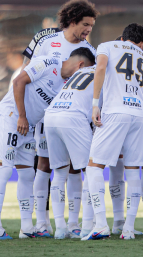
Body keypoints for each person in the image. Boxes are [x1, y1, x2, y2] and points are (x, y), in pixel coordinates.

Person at [0, 40, 93, 239]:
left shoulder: (66, 84)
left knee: (27, 174)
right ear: (81, 65)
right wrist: (22, 116)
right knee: (4, 170)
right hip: (10, 118)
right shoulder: (47, 62)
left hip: (28, 126)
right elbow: (18, 82)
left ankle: (27, 227)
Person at [26, 0, 98, 237]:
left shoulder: (89, 50)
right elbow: (29, 71)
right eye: (86, 25)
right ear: (73, 20)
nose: (88, 30)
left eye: (91, 26)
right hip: (48, 113)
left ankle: (74, 223)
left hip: (76, 115)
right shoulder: (48, 42)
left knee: (75, 169)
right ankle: (43, 222)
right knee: (45, 166)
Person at [85, 23, 143, 241]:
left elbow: (101, 68)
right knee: (133, 170)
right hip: (137, 114)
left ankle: (102, 225)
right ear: (142, 43)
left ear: (123, 37)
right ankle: (128, 229)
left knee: (94, 166)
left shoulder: (108, 45)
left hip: (115, 110)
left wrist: (96, 103)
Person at [42, 47, 98, 239]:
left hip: (51, 114)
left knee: (59, 172)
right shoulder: (102, 71)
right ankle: (87, 227)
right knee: (91, 170)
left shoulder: (80, 71)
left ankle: (60, 228)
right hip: (73, 116)